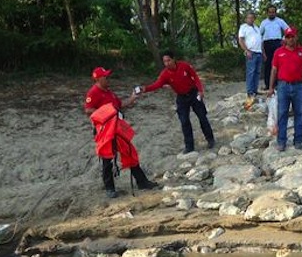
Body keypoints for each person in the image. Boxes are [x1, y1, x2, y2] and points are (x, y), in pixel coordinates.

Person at [84, 67, 157, 198]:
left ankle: (142, 182)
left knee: (129, 153)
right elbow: (88, 110)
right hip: (105, 131)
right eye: (105, 77)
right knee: (107, 158)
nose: (108, 78)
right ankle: (109, 188)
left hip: (117, 128)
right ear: (98, 79)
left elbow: (120, 104)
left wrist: (133, 98)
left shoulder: (109, 92)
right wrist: (107, 112)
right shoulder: (93, 92)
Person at [140, 51, 215, 154]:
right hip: (181, 98)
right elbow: (156, 85)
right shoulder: (165, 74)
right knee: (184, 121)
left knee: (202, 117)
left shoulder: (184, 66)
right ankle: (189, 146)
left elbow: (195, 77)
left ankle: (210, 139)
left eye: (168, 60)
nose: (167, 63)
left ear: (173, 59)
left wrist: (200, 90)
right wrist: (145, 89)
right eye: (164, 61)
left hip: (193, 94)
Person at [267, 27, 302, 152]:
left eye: (292, 36)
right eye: (288, 37)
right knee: (282, 114)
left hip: (298, 86)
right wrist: (271, 87)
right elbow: (274, 70)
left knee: (299, 114)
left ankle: (298, 140)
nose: (290, 39)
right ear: (285, 38)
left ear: (296, 37)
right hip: (282, 86)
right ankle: (281, 142)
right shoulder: (278, 52)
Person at [259, 5, 289, 91]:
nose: (271, 14)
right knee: (268, 64)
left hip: (277, 43)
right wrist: (262, 45)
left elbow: (288, 30)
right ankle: (267, 85)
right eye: (270, 12)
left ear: (275, 12)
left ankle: (277, 84)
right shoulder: (264, 22)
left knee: (278, 64)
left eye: (273, 12)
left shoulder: (280, 21)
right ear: (267, 13)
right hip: (267, 44)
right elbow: (259, 34)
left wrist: (283, 40)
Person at [238, 11, 263, 106]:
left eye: (252, 17)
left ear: (254, 18)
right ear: (246, 19)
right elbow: (241, 40)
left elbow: (261, 41)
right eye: (249, 18)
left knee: (257, 73)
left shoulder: (257, 27)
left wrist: (263, 53)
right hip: (251, 52)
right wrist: (246, 50)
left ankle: (255, 90)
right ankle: (249, 92)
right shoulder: (243, 27)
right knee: (250, 72)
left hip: (259, 52)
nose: (250, 19)